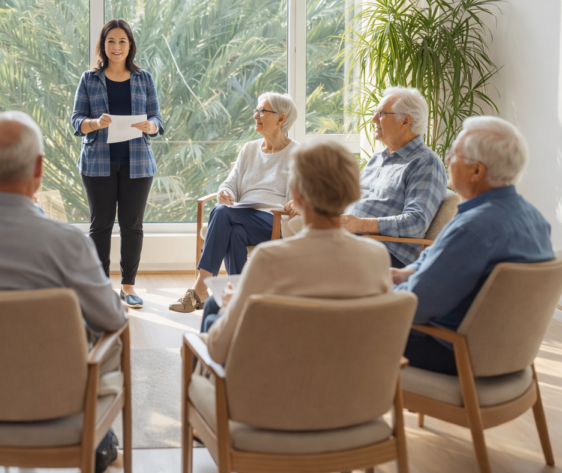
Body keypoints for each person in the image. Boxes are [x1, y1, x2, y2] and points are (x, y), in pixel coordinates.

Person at [0, 111, 127, 472]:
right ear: (39, 169)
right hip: (51, 400)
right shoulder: (67, 242)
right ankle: (99, 440)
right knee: (109, 337)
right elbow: (113, 317)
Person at [203, 139, 393, 365]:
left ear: (297, 194)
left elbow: (217, 348)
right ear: (352, 192)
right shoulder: (378, 256)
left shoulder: (269, 257)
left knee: (212, 312)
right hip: (343, 375)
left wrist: (230, 306)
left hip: (277, 375)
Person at [392, 116, 553, 375]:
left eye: (454, 154)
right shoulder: (534, 219)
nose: (446, 160)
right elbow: (437, 256)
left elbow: (417, 308)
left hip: (453, 351)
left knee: (340, 323)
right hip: (505, 353)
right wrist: (406, 273)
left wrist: (377, 292)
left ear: (477, 170)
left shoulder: (474, 228)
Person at [286, 86, 447, 267]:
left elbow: (416, 222)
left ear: (405, 121)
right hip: (347, 240)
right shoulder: (377, 158)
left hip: (383, 253)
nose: (373, 119)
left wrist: (361, 225)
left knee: (293, 259)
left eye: (381, 114)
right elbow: (348, 204)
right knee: (288, 254)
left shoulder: (425, 163)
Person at [169, 92, 299, 313]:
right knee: (234, 230)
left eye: (262, 111)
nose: (255, 115)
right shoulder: (249, 149)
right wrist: (226, 193)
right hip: (242, 217)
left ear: (281, 119)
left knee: (222, 214)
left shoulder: (298, 153)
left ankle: (200, 288)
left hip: (275, 222)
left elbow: (303, 193)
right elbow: (230, 183)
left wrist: (298, 199)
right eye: (256, 110)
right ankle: (239, 300)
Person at [71, 19, 164, 309]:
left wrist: (151, 126)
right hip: (98, 163)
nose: (117, 47)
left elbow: (158, 119)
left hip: (138, 163)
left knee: (132, 226)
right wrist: (95, 123)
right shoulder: (89, 79)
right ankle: (100, 287)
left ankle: (128, 286)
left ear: (130, 45)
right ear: (103, 45)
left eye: (122, 41)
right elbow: (75, 123)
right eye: (111, 41)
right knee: (100, 226)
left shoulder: (144, 78)